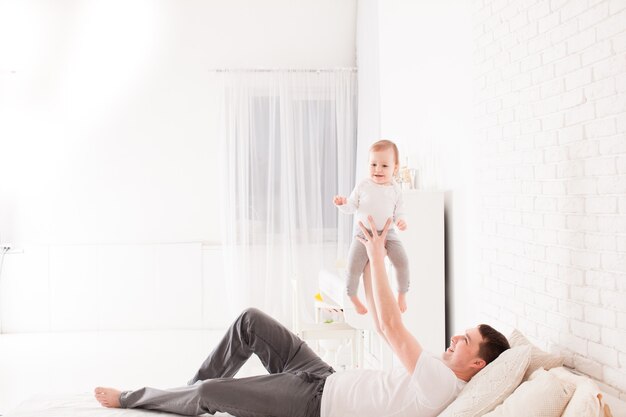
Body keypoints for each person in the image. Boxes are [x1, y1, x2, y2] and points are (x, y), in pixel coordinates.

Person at [95, 216, 510, 417]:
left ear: (477, 364)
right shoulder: (437, 370)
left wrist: (376, 257)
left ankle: (139, 398)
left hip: (313, 404)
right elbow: (385, 324)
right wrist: (367, 266)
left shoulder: (443, 383)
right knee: (249, 321)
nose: (456, 337)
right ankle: (181, 398)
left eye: (466, 340)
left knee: (210, 392)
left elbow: (390, 326)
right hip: (323, 375)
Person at [333, 139, 410, 316]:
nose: (378, 169)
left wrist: (401, 221)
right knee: (353, 266)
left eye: (384, 165)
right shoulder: (363, 186)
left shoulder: (395, 189)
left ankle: (402, 293)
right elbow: (351, 207)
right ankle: (352, 296)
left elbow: (400, 211)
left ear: (395, 168)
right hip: (363, 233)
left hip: (388, 233)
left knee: (402, 261)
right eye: (374, 164)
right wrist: (342, 204)